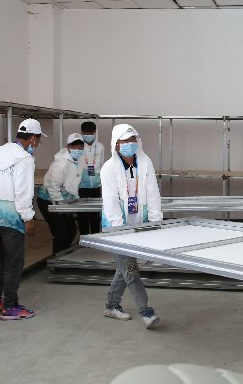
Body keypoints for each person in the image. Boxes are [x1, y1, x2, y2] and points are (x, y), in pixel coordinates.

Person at [0, 118, 44, 320]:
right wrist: (28, 217)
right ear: (33, 139)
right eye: (39, 140)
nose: (38, 144)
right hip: (8, 213)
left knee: (1, 255)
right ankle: (10, 306)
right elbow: (23, 191)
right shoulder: (25, 158)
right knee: (14, 261)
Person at [99, 123, 162, 329]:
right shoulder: (109, 168)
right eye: (124, 141)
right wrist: (120, 231)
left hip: (139, 224)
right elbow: (110, 202)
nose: (129, 144)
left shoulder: (145, 162)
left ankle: (111, 305)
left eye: (132, 140)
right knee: (131, 269)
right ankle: (146, 311)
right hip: (116, 227)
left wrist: (155, 222)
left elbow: (153, 193)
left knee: (123, 268)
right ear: (116, 144)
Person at [36, 133, 85, 255]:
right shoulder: (61, 163)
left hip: (63, 200)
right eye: (74, 146)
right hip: (48, 201)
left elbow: (73, 183)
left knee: (72, 229)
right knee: (61, 232)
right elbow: (53, 187)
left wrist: (74, 200)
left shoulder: (77, 161)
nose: (78, 149)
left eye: (80, 147)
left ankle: (63, 255)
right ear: (68, 147)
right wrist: (61, 207)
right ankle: (56, 260)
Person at [77, 121, 104, 236]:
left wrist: (101, 185)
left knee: (95, 215)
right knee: (82, 215)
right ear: (82, 132)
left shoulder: (100, 147)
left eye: (90, 133)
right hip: (81, 186)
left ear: (94, 132)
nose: (88, 135)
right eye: (86, 133)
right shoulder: (77, 146)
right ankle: (83, 238)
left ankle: (95, 237)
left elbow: (101, 166)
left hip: (96, 186)